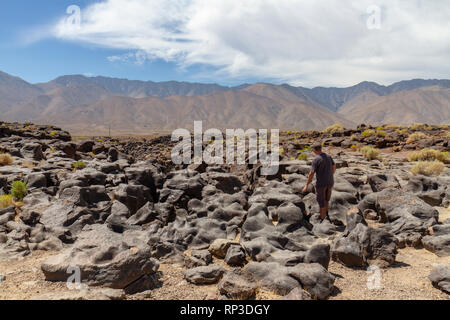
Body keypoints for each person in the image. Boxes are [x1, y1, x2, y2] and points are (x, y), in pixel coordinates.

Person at [302, 143, 336, 222]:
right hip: (330, 182)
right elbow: (334, 167)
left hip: (321, 184)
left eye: (312, 149)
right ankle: (326, 216)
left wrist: (306, 185)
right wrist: (330, 175)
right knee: (327, 199)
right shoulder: (328, 156)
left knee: (321, 202)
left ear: (314, 150)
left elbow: (311, 173)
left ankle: (323, 219)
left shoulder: (316, 159)